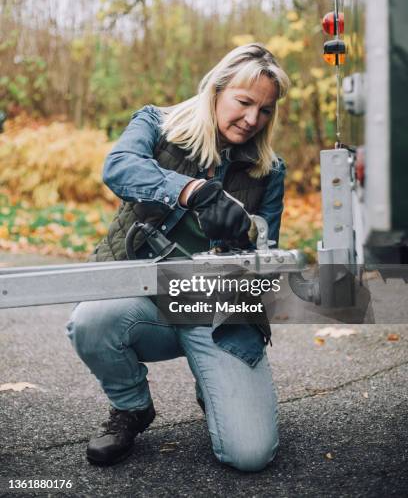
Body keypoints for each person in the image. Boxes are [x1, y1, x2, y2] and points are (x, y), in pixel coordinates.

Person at [66, 42, 289, 472]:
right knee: (91, 320)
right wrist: (191, 191)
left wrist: (246, 239)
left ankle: (216, 384)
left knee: (250, 455)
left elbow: (267, 260)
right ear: (216, 90)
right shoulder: (157, 123)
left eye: (264, 111)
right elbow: (119, 166)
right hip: (143, 303)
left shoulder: (269, 169)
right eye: (243, 103)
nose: (251, 119)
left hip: (214, 313)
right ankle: (131, 407)